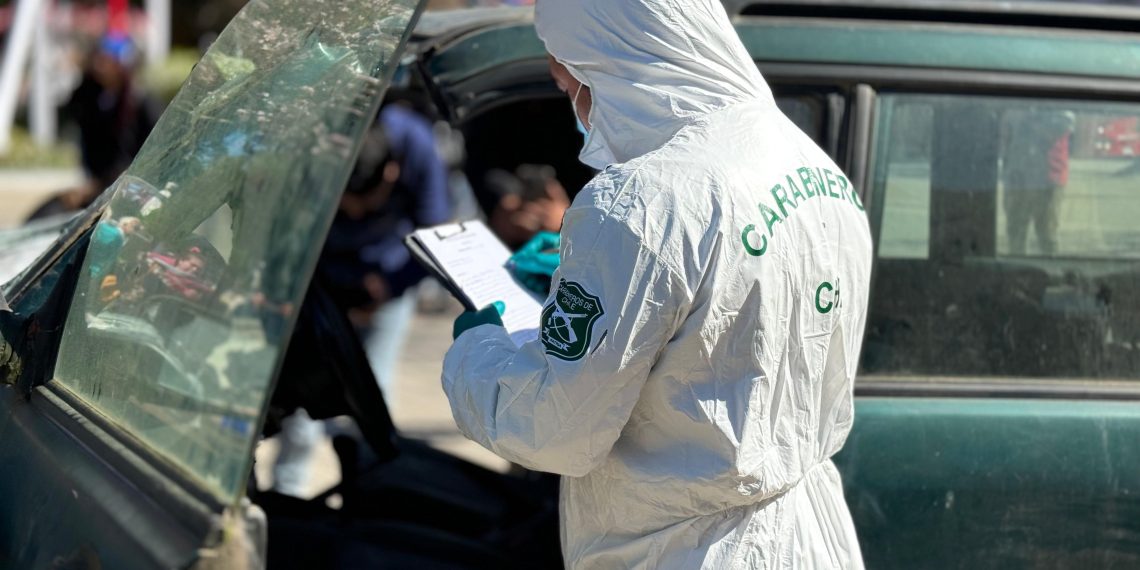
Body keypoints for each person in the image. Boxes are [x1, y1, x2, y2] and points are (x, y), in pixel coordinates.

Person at [441, 1, 872, 568]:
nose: (575, 102)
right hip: (809, 536)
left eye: (567, 77)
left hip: (686, 551)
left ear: (608, 60)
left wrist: (477, 350)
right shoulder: (810, 163)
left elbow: (554, 429)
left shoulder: (640, 201)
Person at [1001, 108, 1076, 256]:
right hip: (1017, 176)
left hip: (1047, 178)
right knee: (1015, 231)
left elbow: (1059, 128)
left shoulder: (1060, 105)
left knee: (1046, 232)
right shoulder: (1013, 103)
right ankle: (1015, 271)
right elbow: (1004, 135)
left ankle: (1051, 274)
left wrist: (1030, 119)